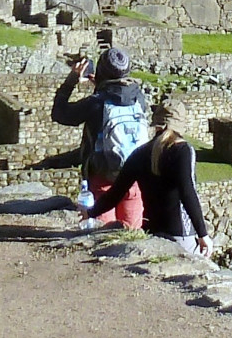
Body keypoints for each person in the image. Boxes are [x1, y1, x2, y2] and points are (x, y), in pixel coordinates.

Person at [80, 98, 213, 253]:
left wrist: (90, 212)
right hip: (180, 234)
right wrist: (203, 234)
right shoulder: (183, 150)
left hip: (152, 231)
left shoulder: (140, 153)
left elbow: (116, 192)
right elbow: (188, 192)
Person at [51, 47, 147, 230]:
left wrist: (71, 80)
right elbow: (117, 96)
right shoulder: (138, 98)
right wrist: (102, 86)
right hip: (134, 176)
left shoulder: (96, 102)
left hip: (103, 178)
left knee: (101, 231)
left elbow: (60, 114)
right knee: (131, 231)